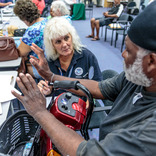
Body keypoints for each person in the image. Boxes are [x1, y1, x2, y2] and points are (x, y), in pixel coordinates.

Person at [12, 2, 156, 155]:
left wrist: (40, 112)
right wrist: (51, 77)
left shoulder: (150, 131)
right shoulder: (136, 77)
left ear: (151, 61)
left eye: (129, 51)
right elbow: (99, 87)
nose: (123, 54)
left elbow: (89, 153)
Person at [37, 17, 102, 96]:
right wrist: (46, 90)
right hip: (58, 105)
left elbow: (98, 86)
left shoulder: (87, 57)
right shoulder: (49, 61)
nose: (64, 44)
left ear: (72, 37)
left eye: (66, 38)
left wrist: (89, 102)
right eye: (58, 41)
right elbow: (47, 87)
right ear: (52, 45)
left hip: (82, 104)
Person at [13, 0, 48, 79]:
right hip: (51, 64)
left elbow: (20, 53)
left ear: (24, 18)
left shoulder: (32, 31)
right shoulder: (46, 20)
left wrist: (22, 43)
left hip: (41, 69)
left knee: (17, 67)